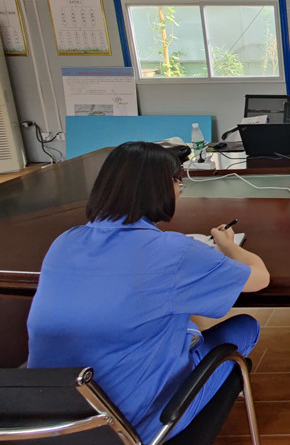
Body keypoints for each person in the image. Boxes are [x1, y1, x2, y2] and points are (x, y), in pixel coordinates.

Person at [27, 141, 270, 443]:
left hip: (44, 419)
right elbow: (259, 278)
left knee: (176, 323)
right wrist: (228, 246)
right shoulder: (175, 252)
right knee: (246, 327)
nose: (180, 189)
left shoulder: (64, 242)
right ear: (162, 188)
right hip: (127, 426)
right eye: (178, 181)